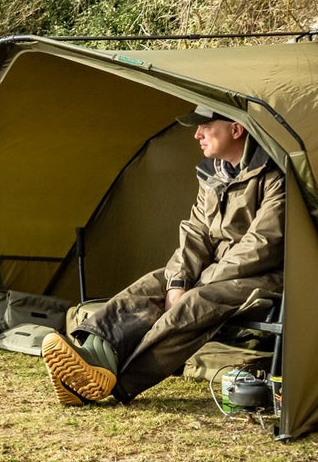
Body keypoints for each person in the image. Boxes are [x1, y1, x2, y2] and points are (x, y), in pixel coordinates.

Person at [40, 106, 286, 406]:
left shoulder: (275, 175)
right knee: (153, 284)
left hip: (262, 276)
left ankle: (113, 381)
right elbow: (195, 232)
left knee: (195, 303)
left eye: (205, 127)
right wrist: (178, 281)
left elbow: (263, 244)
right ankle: (91, 351)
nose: (197, 134)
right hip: (216, 271)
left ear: (236, 130)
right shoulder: (212, 175)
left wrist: (200, 283)